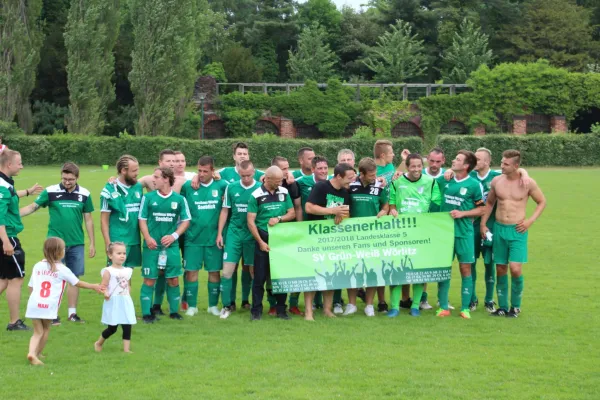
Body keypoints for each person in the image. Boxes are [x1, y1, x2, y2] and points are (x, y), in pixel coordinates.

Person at [20, 162, 95, 325]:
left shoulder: (85, 194)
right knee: (52, 277)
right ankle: (51, 314)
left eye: (71, 179)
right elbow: (33, 207)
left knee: (74, 277)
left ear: (77, 178)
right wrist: (14, 215)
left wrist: (92, 243)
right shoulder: (51, 191)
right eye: (64, 178)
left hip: (76, 243)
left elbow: (88, 220)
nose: (67, 182)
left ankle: (72, 313)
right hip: (54, 244)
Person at [481, 150, 546, 318]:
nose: (502, 166)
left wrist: (530, 221)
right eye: (502, 162)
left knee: (515, 269)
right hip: (499, 229)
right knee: (500, 267)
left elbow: (541, 202)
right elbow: (489, 203)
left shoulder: (527, 183)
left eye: (506, 164)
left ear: (516, 165)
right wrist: (483, 224)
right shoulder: (496, 181)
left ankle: (515, 306)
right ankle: (502, 307)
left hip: (518, 230)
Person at [25, 237, 102, 365]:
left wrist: (33, 298)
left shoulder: (38, 265)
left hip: (34, 303)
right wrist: (94, 286)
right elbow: (77, 283)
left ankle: (31, 352)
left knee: (37, 332)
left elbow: (30, 286)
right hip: (48, 305)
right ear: (60, 252)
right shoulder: (62, 269)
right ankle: (36, 354)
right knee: (45, 330)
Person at [387, 153, 441, 317]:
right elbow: (391, 204)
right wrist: (393, 209)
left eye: (419, 166)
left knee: (419, 270)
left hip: (421, 233)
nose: (416, 169)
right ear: (407, 167)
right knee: (397, 269)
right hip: (400, 233)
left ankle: (415, 306)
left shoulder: (431, 182)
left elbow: (436, 204)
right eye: (413, 166)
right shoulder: (397, 182)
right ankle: (395, 307)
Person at [437, 150, 486, 319]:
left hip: (464, 232)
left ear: (466, 166)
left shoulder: (473, 185)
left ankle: (465, 308)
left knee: (465, 268)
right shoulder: (445, 179)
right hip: (445, 233)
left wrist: (463, 214)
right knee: (444, 269)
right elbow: (424, 180)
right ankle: (443, 307)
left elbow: (482, 208)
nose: (453, 160)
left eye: (457, 159)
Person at [138, 167, 191, 323]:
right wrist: (147, 238)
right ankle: (147, 314)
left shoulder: (179, 200)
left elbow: (186, 220)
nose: (153, 180)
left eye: (156, 177)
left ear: (166, 179)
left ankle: (174, 312)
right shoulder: (148, 198)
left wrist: (174, 236)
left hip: (171, 247)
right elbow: (142, 219)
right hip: (152, 246)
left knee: (173, 279)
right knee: (149, 279)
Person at [304, 163, 356, 320]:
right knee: (313, 274)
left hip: (334, 240)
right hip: (316, 238)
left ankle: (327, 309)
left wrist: (341, 217)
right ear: (339, 176)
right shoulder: (321, 187)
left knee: (331, 274)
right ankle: (308, 312)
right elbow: (309, 207)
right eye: (349, 178)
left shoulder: (346, 193)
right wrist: (332, 211)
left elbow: (344, 215)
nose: (351, 182)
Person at [180, 156, 228, 317]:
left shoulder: (222, 186)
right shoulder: (188, 186)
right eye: (199, 171)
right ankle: (192, 306)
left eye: (205, 171)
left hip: (214, 239)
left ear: (213, 171)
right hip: (192, 238)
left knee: (214, 272)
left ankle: (212, 306)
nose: (201, 174)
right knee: (191, 271)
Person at [247, 166, 295, 321]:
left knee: (281, 276)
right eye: (277, 180)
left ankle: (282, 310)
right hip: (263, 238)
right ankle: (256, 311)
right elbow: (250, 222)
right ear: (267, 179)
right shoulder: (256, 195)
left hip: (280, 239)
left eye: (281, 179)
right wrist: (260, 242)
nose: (280, 182)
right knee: (259, 277)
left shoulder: (284, 192)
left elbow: (292, 213)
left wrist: (279, 219)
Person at [217, 161, 262, 319]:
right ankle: (227, 305)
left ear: (254, 172)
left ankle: (251, 303)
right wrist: (220, 233)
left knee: (252, 271)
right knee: (227, 271)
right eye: (243, 176)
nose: (246, 178)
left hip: (252, 234)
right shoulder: (232, 187)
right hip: (234, 233)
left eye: (249, 175)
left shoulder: (260, 188)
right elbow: (224, 211)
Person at [346, 158, 389, 317]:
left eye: (375, 173)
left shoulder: (379, 186)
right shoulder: (350, 185)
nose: (374, 176)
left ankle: (369, 305)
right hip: (352, 236)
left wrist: (384, 211)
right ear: (361, 173)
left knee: (372, 269)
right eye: (371, 174)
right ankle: (351, 304)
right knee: (352, 269)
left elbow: (385, 204)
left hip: (373, 236)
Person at [1, 150, 31, 331]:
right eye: (19, 163)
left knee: (4, 279)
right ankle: (14, 322)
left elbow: (11, 201)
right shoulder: (2, 187)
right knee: (16, 278)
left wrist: (28, 193)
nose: (22, 166)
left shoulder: (6, 184)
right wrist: (5, 241)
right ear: (9, 165)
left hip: (7, 236)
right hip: (8, 237)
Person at [271, 156, 304, 316]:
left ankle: (293, 303)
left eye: (287, 168)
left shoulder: (292, 184)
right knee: (273, 270)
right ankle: (272, 304)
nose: (287, 171)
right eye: (283, 169)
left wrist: (298, 228)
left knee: (295, 268)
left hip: (289, 231)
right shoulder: (265, 183)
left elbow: (298, 207)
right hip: (272, 232)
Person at [100, 155, 143, 269]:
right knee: (115, 276)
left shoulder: (138, 186)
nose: (137, 173)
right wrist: (108, 243)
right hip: (117, 240)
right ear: (123, 171)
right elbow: (104, 220)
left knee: (128, 274)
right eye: (134, 171)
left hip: (134, 239)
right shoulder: (109, 189)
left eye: (137, 169)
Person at [94, 242, 136, 353]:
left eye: (124, 253)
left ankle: (126, 349)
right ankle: (99, 342)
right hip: (113, 302)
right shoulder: (108, 271)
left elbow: (128, 285)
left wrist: (128, 296)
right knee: (112, 328)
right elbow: (103, 286)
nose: (122, 256)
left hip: (125, 300)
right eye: (119, 253)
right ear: (110, 255)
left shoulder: (127, 271)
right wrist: (105, 293)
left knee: (127, 325)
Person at [373, 140, 396, 312]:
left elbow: (396, 177)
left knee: (392, 260)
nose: (393, 155)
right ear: (382, 155)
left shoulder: (391, 167)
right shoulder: (373, 171)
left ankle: (399, 299)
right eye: (391, 152)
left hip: (391, 216)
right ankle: (380, 300)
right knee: (378, 261)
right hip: (378, 219)